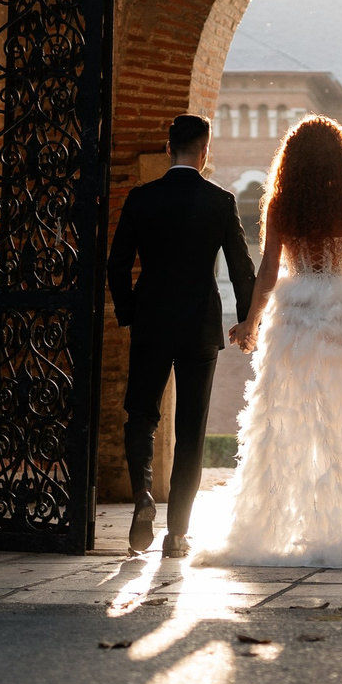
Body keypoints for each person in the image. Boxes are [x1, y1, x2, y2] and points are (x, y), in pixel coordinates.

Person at [205, 116, 342, 568]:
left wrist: (251, 321)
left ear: (290, 161)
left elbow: (270, 270)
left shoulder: (281, 203)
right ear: (341, 157)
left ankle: (278, 529)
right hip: (341, 313)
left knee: (286, 418)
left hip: (295, 316)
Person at [108, 113, 255, 558]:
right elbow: (241, 269)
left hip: (151, 318)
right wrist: (247, 320)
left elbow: (117, 265)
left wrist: (131, 312)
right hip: (199, 326)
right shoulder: (220, 201)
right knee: (191, 430)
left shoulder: (141, 198)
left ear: (169, 148)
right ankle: (177, 535)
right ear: (204, 152)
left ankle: (142, 498)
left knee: (140, 414)